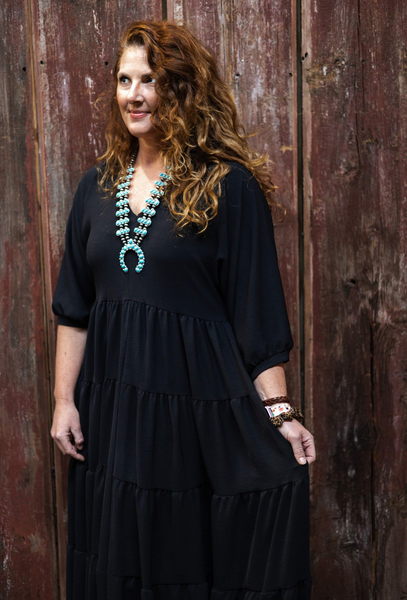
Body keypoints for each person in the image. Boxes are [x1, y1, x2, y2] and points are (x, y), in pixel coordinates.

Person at [50, 18, 316, 600]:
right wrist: (64, 401)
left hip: (194, 409)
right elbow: (74, 309)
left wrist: (279, 413)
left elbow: (257, 315)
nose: (134, 94)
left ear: (183, 89)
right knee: (121, 552)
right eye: (125, 80)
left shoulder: (228, 186)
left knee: (186, 549)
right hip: (113, 409)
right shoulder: (95, 187)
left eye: (151, 80)